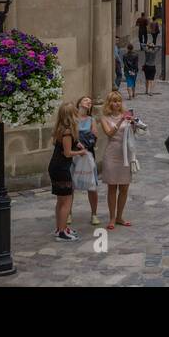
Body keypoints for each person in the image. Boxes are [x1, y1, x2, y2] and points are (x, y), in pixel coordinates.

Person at [99, 91, 139, 229]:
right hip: (112, 154)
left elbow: (133, 133)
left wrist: (134, 123)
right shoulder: (104, 118)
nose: (117, 104)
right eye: (114, 101)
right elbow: (109, 133)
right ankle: (111, 217)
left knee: (124, 187)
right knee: (112, 187)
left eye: (119, 101)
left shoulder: (126, 115)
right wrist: (121, 120)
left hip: (125, 155)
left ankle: (120, 216)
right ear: (109, 103)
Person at [49, 101, 88, 240]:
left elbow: (69, 143)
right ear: (71, 115)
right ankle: (61, 232)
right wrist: (80, 152)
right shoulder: (66, 131)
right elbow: (67, 153)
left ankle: (61, 227)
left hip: (56, 166)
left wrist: (77, 143)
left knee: (61, 201)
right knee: (66, 201)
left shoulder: (62, 128)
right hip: (61, 167)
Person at [73, 95, 101, 226]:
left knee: (92, 186)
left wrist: (83, 141)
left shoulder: (91, 119)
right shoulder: (72, 119)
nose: (88, 102)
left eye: (90, 101)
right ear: (79, 103)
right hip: (74, 154)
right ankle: (68, 213)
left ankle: (94, 214)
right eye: (85, 100)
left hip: (88, 153)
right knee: (70, 185)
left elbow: (94, 136)